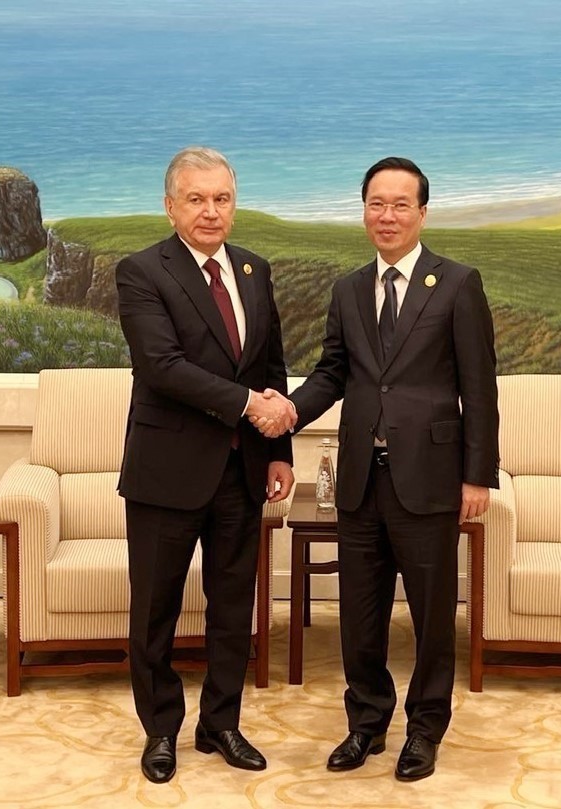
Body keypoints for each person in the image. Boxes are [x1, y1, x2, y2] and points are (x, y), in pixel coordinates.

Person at [284, 156, 499, 781]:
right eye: (377, 204)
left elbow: (479, 387)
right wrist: (288, 412)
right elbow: (332, 373)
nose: (388, 216)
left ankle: (425, 731)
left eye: (401, 204)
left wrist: (477, 475)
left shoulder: (457, 284)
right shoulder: (348, 289)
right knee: (360, 614)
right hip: (360, 480)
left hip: (430, 479)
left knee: (431, 616)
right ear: (364, 212)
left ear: (422, 213)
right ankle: (367, 724)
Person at [116, 146, 296, 784]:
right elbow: (162, 367)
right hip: (166, 472)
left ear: (234, 205)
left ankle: (221, 723)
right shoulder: (142, 271)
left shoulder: (253, 269)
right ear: (170, 207)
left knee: (232, 608)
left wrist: (278, 451)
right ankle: (161, 729)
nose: (210, 211)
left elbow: (270, 364)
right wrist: (250, 406)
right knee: (155, 611)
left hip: (242, 472)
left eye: (221, 198)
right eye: (196, 199)